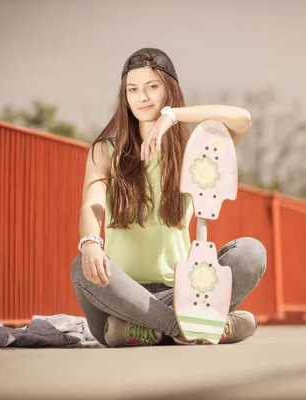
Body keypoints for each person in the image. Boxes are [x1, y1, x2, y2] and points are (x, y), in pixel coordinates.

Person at [70, 48, 267, 347]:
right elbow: (92, 205)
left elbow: (243, 119)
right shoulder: (105, 150)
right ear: (124, 96)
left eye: (152, 87)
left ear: (169, 90)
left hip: (183, 291)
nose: (142, 97)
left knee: (251, 252)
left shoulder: (196, 149)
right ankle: (191, 327)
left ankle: (151, 330)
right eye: (132, 89)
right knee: (80, 268)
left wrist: (172, 117)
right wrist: (90, 242)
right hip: (122, 296)